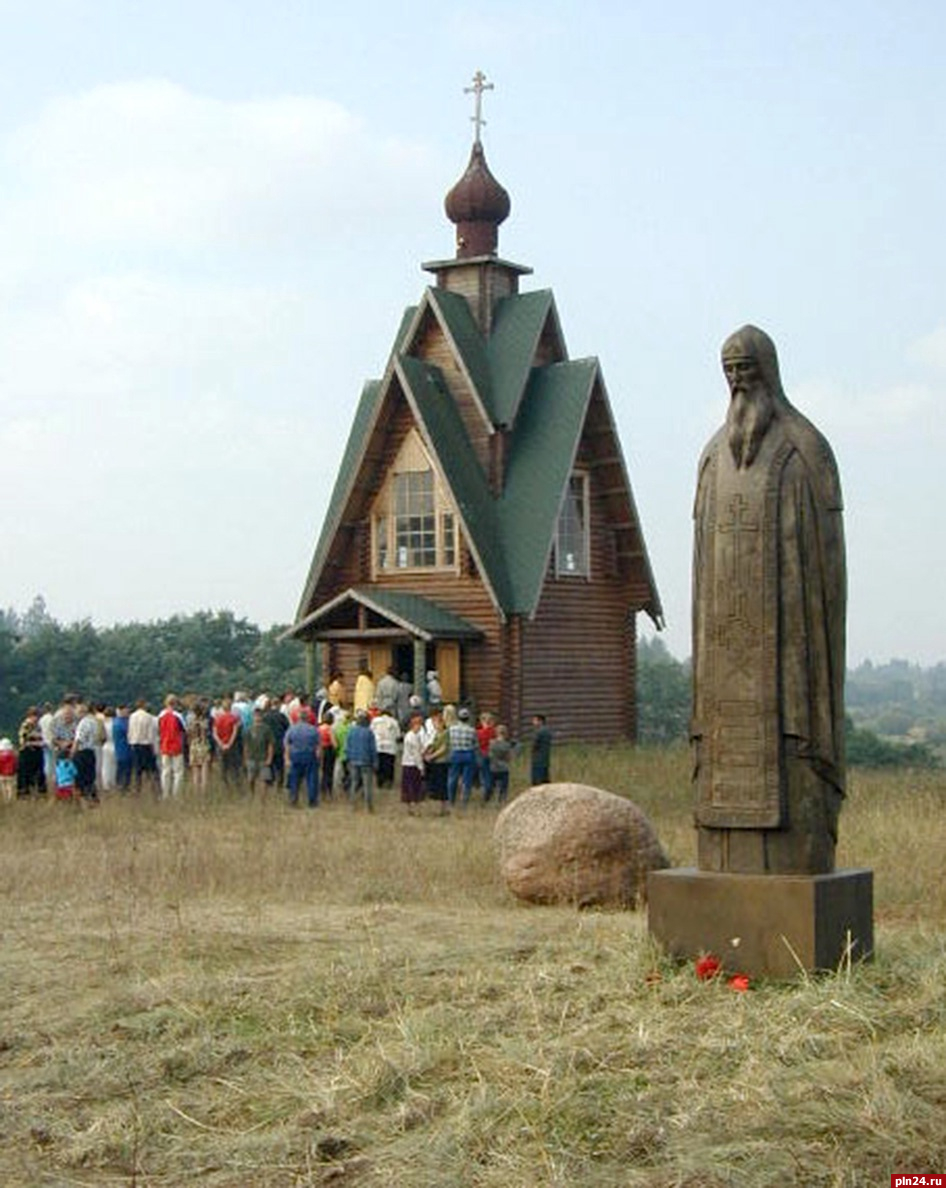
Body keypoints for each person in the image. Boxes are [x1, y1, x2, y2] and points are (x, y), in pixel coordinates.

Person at [692, 325, 846, 875]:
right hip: (726, 650)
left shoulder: (803, 449)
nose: (738, 381)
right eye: (730, 371)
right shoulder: (714, 457)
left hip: (786, 649)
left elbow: (822, 558)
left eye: (747, 370)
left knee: (790, 749)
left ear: (768, 372)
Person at [283, 710, 320, 807]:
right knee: (311, 779)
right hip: (310, 755)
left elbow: (287, 744)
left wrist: (287, 758)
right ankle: (312, 801)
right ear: (307, 718)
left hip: (295, 755)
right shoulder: (313, 729)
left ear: (298, 718)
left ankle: (293, 799)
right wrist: (319, 759)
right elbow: (318, 746)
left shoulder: (292, 729)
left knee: (294, 779)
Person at [346, 709, 378, 811]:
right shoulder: (369, 733)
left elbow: (348, 747)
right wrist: (375, 761)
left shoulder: (351, 731)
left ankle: (352, 805)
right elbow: (372, 748)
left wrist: (348, 758)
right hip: (366, 760)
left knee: (354, 783)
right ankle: (368, 806)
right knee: (367, 784)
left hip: (353, 760)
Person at [157, 695, 187, 798]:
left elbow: (158, 730)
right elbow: (184, 730)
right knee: (178, 772)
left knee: (165, 771)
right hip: (176, 745)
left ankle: (165, 793)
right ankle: (176, 795)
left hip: (164, 744)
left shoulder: (161, 715)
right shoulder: (178, 716)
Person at [447, 707, 477, 806]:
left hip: (455, 753)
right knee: (466, 779)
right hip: (468, 754)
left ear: (458, 718)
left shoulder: (452, 729)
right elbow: (475, 744)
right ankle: (464, 801)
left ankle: (451, 799)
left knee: (453, 777)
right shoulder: (472, 730)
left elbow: (449, 742)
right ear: (468, 718)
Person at [422, 708, 450, 813]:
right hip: (436, 762)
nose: (435, 726)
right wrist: (426, 753)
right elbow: (432, 745)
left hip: (442, 761)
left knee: (442, 785)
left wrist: (432, 756)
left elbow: (444, 748)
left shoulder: (445, 733)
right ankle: (439, 808)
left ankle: (444, 808)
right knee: (436, 785)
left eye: (436, 724)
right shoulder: (436, 735)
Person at [213, 696, 243, 786]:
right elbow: (235, 732)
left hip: (220, 746)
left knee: (223, 768)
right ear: (231, 707)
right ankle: (236, 786)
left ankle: (225, 786)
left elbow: (215, 734)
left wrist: (221, 744)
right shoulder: (234, 718)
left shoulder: (218, 719)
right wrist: (229, 743)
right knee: (234, 767)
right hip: (232, 746)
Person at [244, 707, 275, 794]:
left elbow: (270, 744)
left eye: (259, 716)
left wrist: (269, 758)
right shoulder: (249, 729)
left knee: (264, 779)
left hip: (263, 757)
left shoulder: (267, 729)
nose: (257, 718)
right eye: (255, 716)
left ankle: (263, 800)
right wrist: (245, 758)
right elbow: (245, 745)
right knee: (250, 779)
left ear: (262, 717)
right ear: (253, 717)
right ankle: (251, 794)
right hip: (251, 757)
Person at [17, 707, 46, 796]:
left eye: (37, 716)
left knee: (39, 773)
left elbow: (41, 737)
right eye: (34, 716)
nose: (36, 718)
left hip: (37, 753)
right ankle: (25, 793)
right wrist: (35, 743)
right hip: (27, 754)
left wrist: (40, 743)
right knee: (25, 775)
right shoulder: (26, 725)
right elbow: (23, 741)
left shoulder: (37, 726)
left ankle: (39, 792)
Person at [400, 712, 425, 813]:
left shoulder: (409, 735)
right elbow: (416, 754)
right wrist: (421, 767)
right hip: (413, 765)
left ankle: (410, 808)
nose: (420, 727)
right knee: (414, 787)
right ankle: (415, 809)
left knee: (408, 786)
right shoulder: (413, 737)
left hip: (406, 763)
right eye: (418, 724)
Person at [128, 700, 156, 790]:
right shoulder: (148, 717)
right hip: (146, 744)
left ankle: (137, 787)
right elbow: (150, 733)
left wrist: (131, 741)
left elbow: (130, 731)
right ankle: (151, 787)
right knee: (150, 769)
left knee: (137, 769)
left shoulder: (132, 716)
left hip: (135, 744)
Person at [371, 706, 400, 788]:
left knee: (380, 764)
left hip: (378, 746)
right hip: (390, 747)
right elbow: (398, 735)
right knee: (389, 765)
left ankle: (380, 781)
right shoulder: (394, 721)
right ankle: (389, 781)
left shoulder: (375, 721)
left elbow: (371, 732)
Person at [488, 724, 515, 806]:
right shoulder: (507, 745)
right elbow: (509, 757)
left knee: (492, 785)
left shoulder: (492, 743)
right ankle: (502, 800)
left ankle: (490, 799)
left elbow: (490, 755)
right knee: (504, 786)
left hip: (494, 767)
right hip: (504, 768)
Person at [475, 712, 496, 801]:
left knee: (483, 774)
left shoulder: (478, 732)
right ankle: (490, 788)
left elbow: (476, 744)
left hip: (482, 754)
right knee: (490, 773)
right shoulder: (494, 731)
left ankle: (486, 790)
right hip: (492, 754)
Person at [113, 705, 133, 791]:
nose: (128, 713)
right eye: (126, 711)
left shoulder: (120, 721)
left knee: (125, 770)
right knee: (123, 769)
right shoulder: (120, 722)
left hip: (124, 750)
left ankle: (123, 786)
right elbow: (128, 733)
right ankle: (122, 786)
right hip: (123, 749)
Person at [530, 714, 552, 785]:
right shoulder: (548, 731)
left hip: (538, 760)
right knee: (545, 779)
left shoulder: (539, 732)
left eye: (535, 720)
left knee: (537, 780)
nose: (533, 722)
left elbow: (535, 745)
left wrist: (532, 751)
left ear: (540, 721)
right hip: (545, 759)